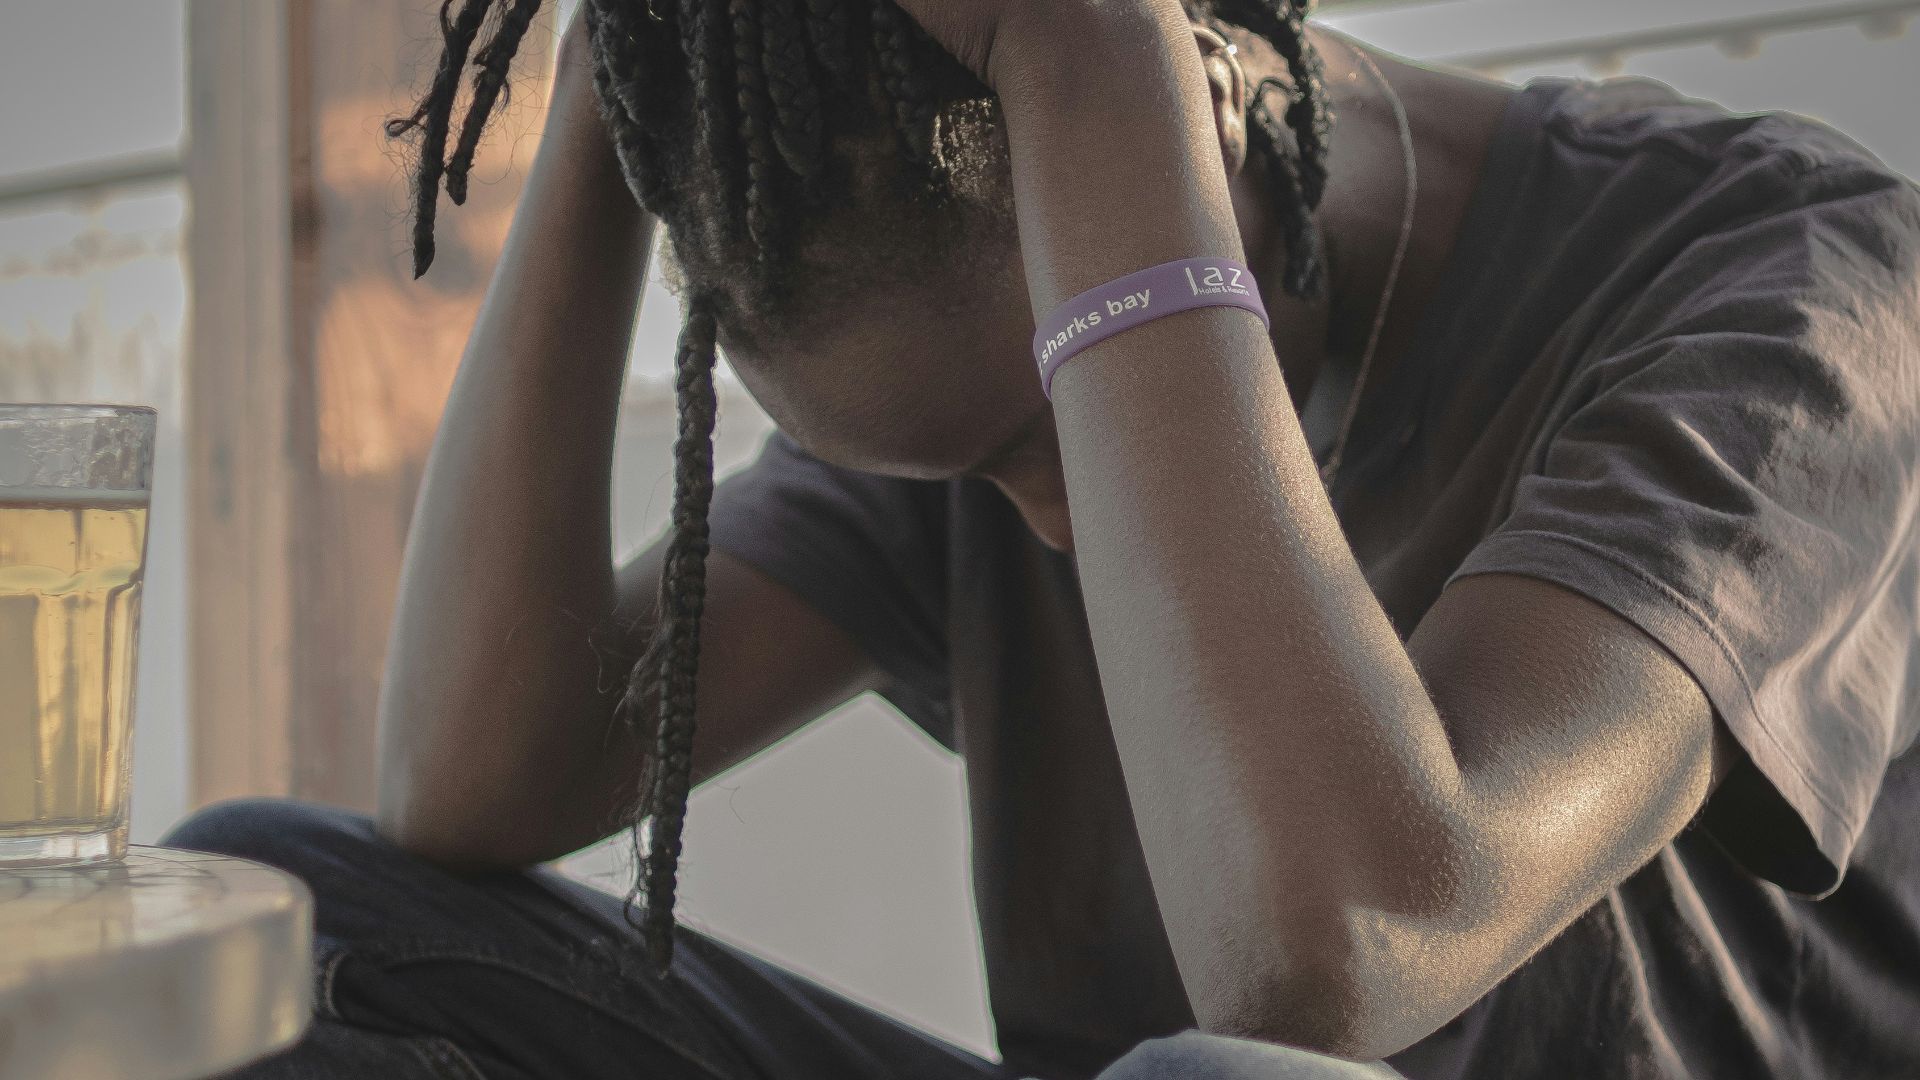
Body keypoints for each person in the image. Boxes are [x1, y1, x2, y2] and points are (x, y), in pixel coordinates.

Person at [165, 0, 1920, 1076]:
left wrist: (1093, 54)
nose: (1059, 535)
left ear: (1183, 109)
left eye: (1039, 438)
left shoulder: (1792, 294)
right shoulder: (948, 340)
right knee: (280, 923)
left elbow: (1342, 947)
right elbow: (478, 784)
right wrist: (618, 89)